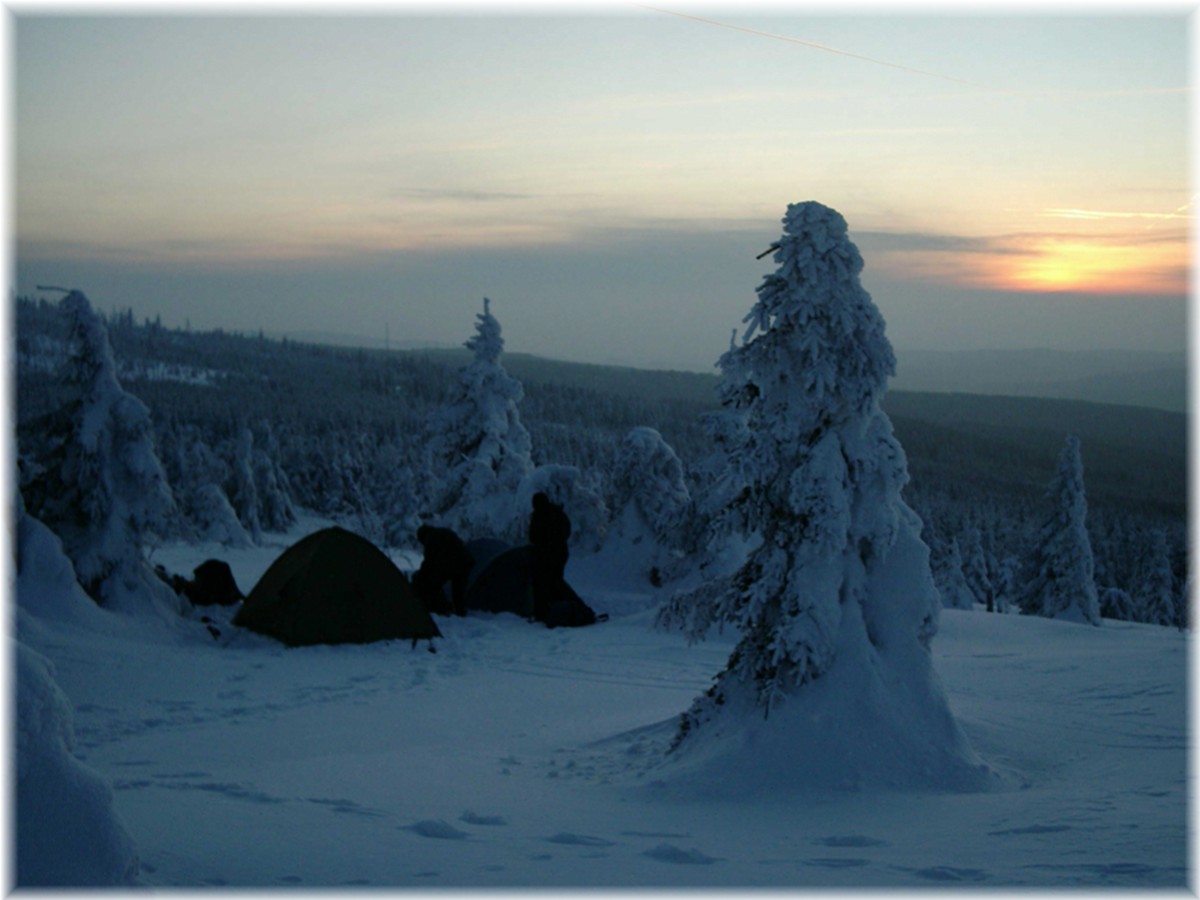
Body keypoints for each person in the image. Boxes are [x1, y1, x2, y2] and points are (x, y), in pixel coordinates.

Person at [413, 525, 474, 616]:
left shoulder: (430, 538)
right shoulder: (445, 532)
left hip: (450, 564)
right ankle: (460, 610)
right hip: (465, 562)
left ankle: (440, 608)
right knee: (458, 589)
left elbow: (429, 561)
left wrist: (420, 574)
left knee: (434, 585)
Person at [528, 492, 571, 623]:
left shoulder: (539, 517)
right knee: (557, 581)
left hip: (546, 555)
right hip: (560, 553)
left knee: (543, 582)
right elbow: (567, 531)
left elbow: (533, 537)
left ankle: (544, 611)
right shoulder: (558, 513)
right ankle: (559, 609)